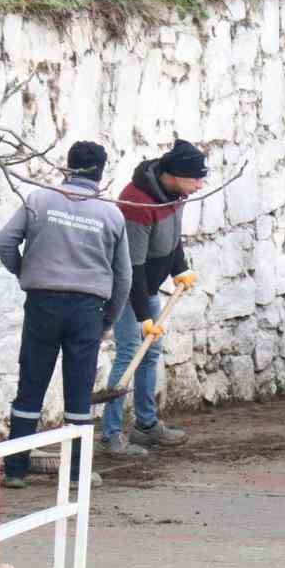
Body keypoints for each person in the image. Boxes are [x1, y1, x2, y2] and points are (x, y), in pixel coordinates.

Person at [0, 140, 130, 490]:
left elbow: (4, 241)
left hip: (42, 303)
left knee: (31, 386)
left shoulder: (38, 199)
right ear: (100, 174)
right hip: (87, 309)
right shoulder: (112, 214)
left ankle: (15, 470)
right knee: (79, 393)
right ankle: (75, 474)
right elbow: (123, 276)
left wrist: (26, 271)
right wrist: (107, 320)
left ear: (67, 167)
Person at [100, 139, 207, 457]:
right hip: (126, 288)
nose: (200, 185)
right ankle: (111, 434)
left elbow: (173, 237)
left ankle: (145, 425)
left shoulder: (175, 195)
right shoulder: (137, 203)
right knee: (130, 353)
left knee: (151, 351)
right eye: (195, 178)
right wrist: (144, 314)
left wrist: (181, 268)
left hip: (148, 286)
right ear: (173, 174)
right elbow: (131, 266)